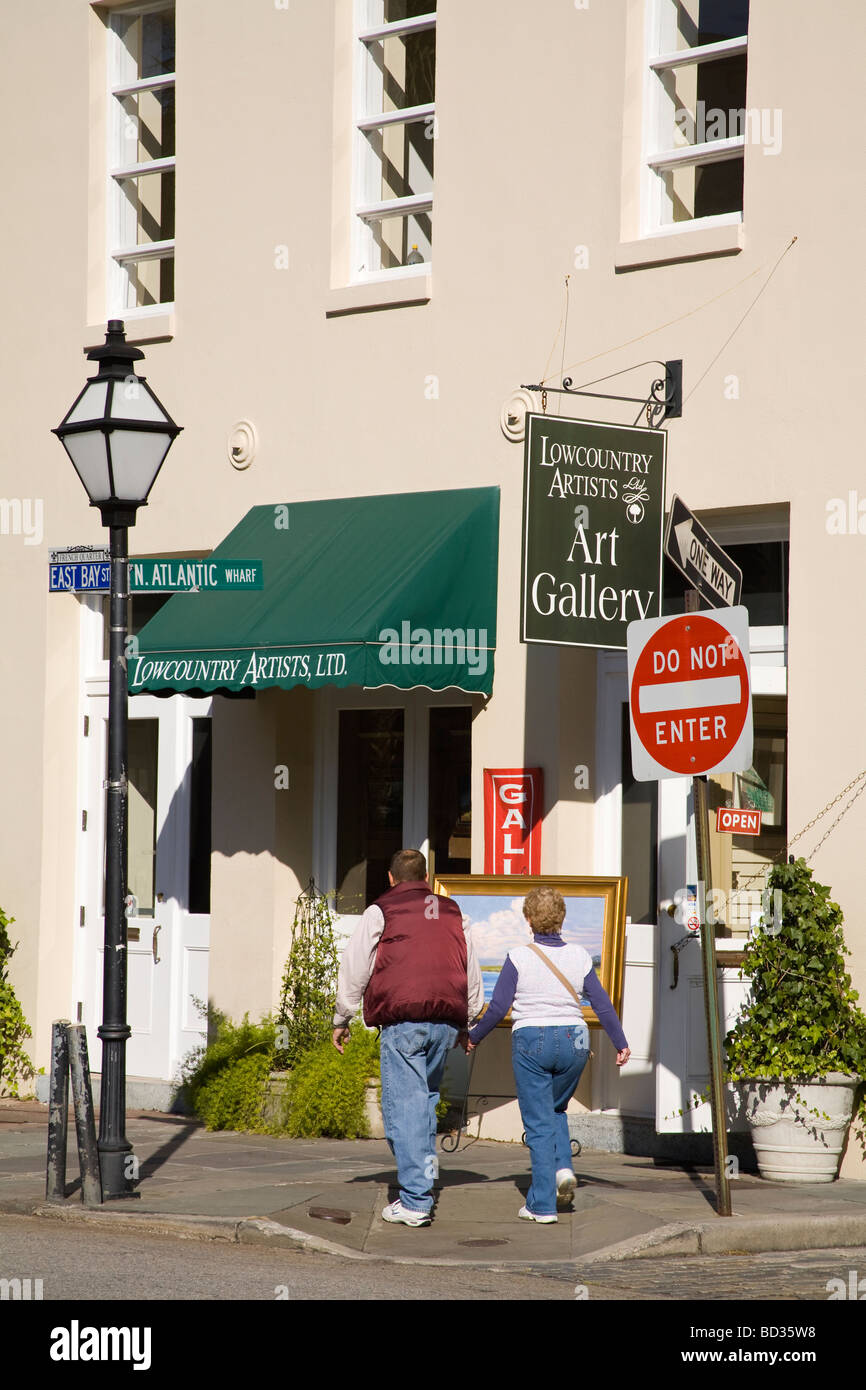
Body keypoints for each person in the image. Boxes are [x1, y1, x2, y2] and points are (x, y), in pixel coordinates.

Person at [332, 848, 484, 1228]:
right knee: (424, 1104)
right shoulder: (453, 912)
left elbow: (355, 965)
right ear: (428, 878)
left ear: (390, 878)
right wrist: (468, 1022)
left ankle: (416, 1199)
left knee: (404, 1108)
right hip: (444, 1023)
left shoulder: (380, 910)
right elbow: (471, 968)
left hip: (403, 1023)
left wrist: (343, 1016)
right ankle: (424, 1181)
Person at [459, 885, 630, 1223]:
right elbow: (601, 1004)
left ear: (528, 919)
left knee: (537, 1122)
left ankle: (541, 1205)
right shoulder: (580, 956)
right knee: (555, 1109)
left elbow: (497, 1008)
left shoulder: (518, 957)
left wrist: (474, 1037)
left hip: (532, 1040)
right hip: (575, 1040)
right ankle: (562, 1168)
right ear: (561, 919)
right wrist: (620, 1042)